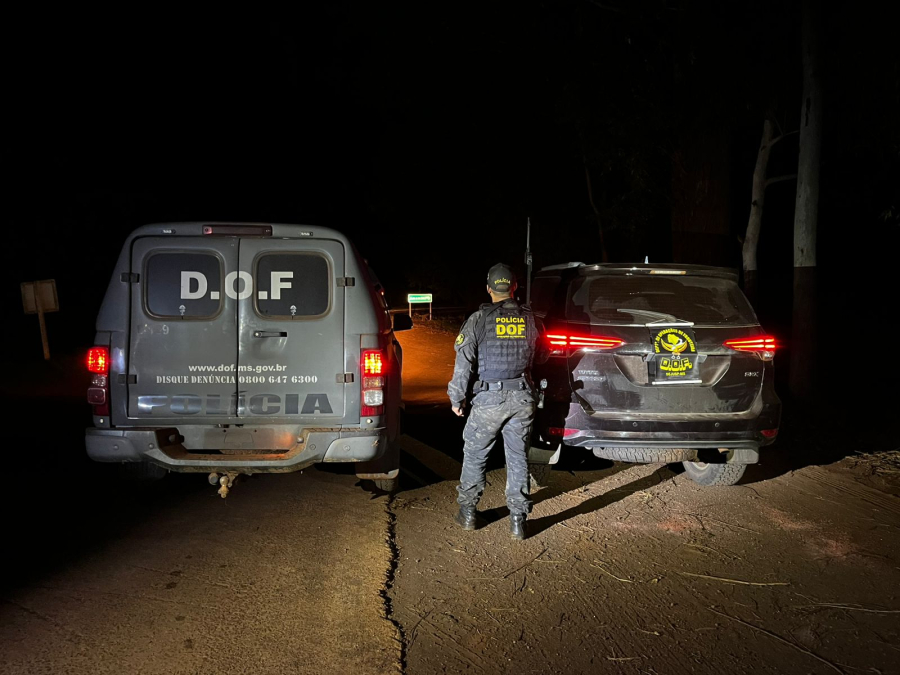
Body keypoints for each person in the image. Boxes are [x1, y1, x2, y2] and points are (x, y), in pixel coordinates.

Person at [447, 263, 547, 540]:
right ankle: (518, 520)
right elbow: (542, 357)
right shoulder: (532, 319)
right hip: (523, 397)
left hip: (489, 400)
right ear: (514, 287)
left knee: (476, 455)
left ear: (489, 288)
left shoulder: (478, 319)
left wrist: (457, 397)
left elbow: (463, 363)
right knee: (517, 458)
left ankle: (468, 513)